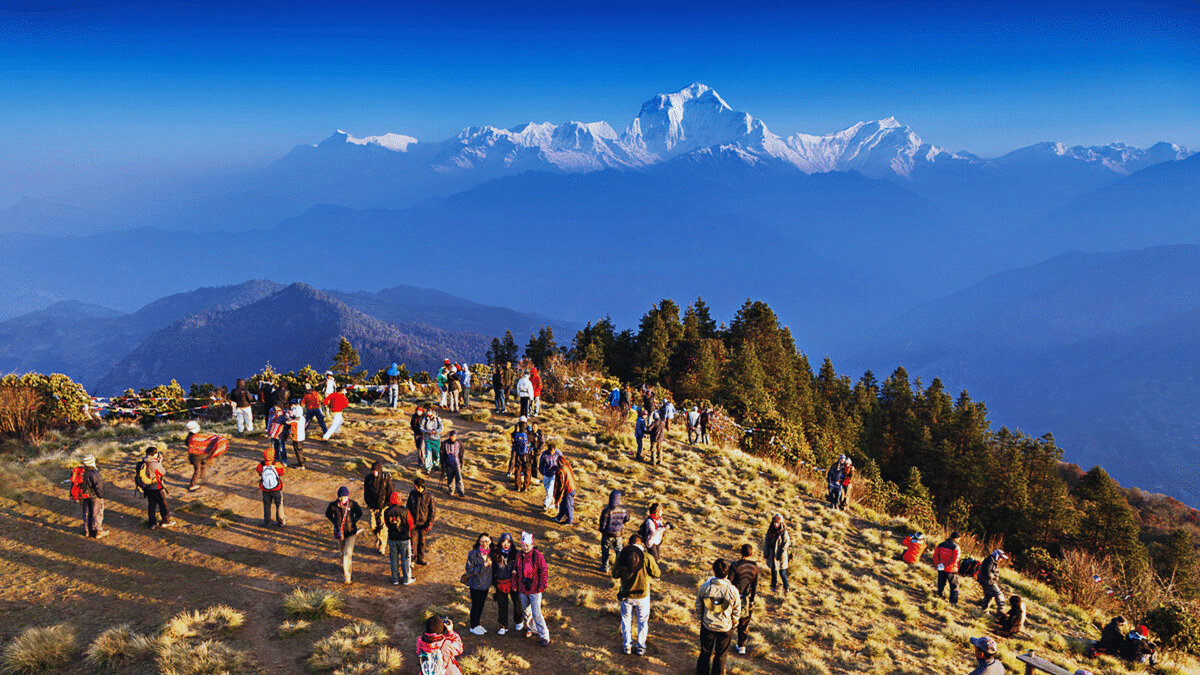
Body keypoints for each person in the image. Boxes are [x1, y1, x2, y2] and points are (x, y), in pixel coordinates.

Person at [612, 534, 661, 656]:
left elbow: (615, 574)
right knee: (643, 622)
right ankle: (640, 647)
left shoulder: (622, 556)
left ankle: (627, 646)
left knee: (626, 621)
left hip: (626, 595)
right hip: (643, 596)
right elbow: (657, 574)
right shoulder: (647, 557)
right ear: (641, 544)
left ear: (629, 543)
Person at [695, 559, 740, 675]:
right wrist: (734, 623)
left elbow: (698, 604)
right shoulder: (733, 590)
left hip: (707, 625)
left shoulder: (705, 587)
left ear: (714, 571)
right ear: (727, 573)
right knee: (721, 655)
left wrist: (700, 617)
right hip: (725, 627)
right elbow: (736, 610)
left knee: (705, 652)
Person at [515, 532, 551, 646]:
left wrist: (542, 586)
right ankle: (532, 629)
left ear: (532, 544)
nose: (525, 547)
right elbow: (515, 570)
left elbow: (544, 571)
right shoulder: (519, 556)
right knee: (526, 611)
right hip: (523, 588)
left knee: (536, 613)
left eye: (527, 545)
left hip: (535, 589)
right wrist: (515, 585)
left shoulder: (538, 556)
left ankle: (544, 636)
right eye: (523, 545)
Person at [325, 486, 362, 584]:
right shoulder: (333, 505)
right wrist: (334, 522)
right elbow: (328, 514)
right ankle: (344, 566)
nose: (343, 499)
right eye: (342, 497)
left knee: (347, 554)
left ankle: (347, 576)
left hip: (351, 533)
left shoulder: (352, 504)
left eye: (345, 497)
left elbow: (360, 513)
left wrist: (354, 521)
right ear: (338, 497)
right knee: (342, 553)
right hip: (340, 533)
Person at [729, 544, 759, 655]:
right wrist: (751, 600)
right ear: (751, 554)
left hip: (734, 598)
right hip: (746, 599)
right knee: (744, 623)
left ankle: (725, 643)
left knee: (730, 621)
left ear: (740, 553)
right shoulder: (755, 566)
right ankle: (742, 646)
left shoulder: (735, 565)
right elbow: (754, 586)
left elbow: (729, 582)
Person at [136, 446, 175, 529]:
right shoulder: (155, 464)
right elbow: (162, 473)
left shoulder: (144, 462)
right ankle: (166, 521)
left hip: (147, 487)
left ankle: (152, 523)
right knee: (163, 504)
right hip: (157, 487)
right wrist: (160, 462)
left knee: (151, 505)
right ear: (154, 454)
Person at [491, 533, 523, 634]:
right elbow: (491, 569)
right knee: (502, 605)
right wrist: (494, 583)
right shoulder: (495, 553)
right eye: (504, 542)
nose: (506, 544)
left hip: (514, 583)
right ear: (500, 542)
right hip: (500, 583)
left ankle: (519, 620)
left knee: (517, 602)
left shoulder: (516, 553)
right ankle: (503, 625)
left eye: (508, 542)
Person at [465, 533, 494, 635]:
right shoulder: (473, 553)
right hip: (476, 584)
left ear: (490, 541)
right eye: (482, 541)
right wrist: (483, 565)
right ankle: (473, 626)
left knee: (481, 605)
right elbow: (469, 569)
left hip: (485, 584)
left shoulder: (492, 553)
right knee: (476, 605)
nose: (484, 543)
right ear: (478, 541)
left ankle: (477, 624)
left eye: (486, 541)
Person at [363, 460, 394, 556]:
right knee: (372, 526)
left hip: (383, 506)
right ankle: (379, 538)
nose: (374, 472)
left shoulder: (385, 480)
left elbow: (390, 491)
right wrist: (367, 501)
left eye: (376, 471)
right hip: (372, 506)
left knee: (383, 526)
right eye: (373, 471)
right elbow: (366, 492)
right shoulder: (368, 479)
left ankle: (382, 546)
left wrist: (389, 504)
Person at [384, 492, 415, 585]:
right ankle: (406, 579)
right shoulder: (405, 511)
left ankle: (395, 579)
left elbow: (386, 524)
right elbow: (411, 524)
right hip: (404, 538)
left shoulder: (387, 511)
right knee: (405, 558)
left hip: (392, 538)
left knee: (393, 559)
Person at [73, 454, 106, 538]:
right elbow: (98, 486)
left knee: (87, 513)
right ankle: (98, 531)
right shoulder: (94, 473)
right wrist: (101, 496)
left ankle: (87, 531)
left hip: (84, 496)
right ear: (92, 462)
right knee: (97, 513)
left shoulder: (81, 471)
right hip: (94, 496)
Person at [599, 489, 630, 573]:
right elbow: (627, 519)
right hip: (618, 534)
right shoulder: (623, 509)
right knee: (619, 551)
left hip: (607, 534)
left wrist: (603, 531)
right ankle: (619, 568)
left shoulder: (606, 511)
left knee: (605, 551)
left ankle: (605, 567)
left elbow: (602, 525)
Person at [407, 477, 435, 565]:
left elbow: (432, 511)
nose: (414, 487)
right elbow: (408, 507)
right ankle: (412, 560)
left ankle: (420, 558)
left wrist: (430, 522)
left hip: (424, 523)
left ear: (419, 487)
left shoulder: (429, 496)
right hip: (413, 523)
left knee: (422, 542)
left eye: (415, 485)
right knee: (412, 542)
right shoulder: (412, 494)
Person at [257, 447, 286, 527]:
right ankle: (281, 521)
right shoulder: (277, 464)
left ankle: (267, 522)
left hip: (265, 489)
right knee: (279, 505)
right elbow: (282, 472)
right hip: (276, 488)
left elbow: (258, 471)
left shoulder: (261, 465)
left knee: (267, 505)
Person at [932, 531, 963, 605]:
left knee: (941, 584)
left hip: (941, 568)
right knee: (954, 587)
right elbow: (955, 560)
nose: (959, 540)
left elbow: (935, 556)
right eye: (959, 538)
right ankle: (953, 603)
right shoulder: (956, 547)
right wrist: (946, 565)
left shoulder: (940, 545)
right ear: (956, 538)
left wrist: (938, 565)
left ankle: (940, 598)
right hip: (951, 570)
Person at [764, 514, 791, 593]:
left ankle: (786, 587)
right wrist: (766, 553)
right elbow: (766, 542)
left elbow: (786, 544)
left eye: (777, 523)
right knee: (773, 572)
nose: (776, 524)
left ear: (781, 523)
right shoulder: (770, 531)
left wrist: (781, 554)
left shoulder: (784, 532)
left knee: (782, 573)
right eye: (774, 522)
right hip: (772, 555)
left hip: (780, 556)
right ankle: (773, 586)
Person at [538, 438, 563, 512]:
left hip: (554, 474)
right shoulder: (544, 454)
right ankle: (552, 504)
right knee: (547, 490)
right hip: (546, 474)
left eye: (552, 451)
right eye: (550, 451)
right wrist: (542, 472)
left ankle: (545, 504)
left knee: (550, 490)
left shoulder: (559, 453)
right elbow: (541, 464)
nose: (551, 453)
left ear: (555, 449)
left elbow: (563, 462)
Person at [553, 454, 576, 526]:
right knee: (563, 504)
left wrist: (558, 493)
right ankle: (559, 517)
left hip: (568, 490)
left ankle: (569, 521)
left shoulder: (561, 470)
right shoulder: (567, 466)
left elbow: (561, 483)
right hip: (570, 488)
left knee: (568, 505)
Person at [184, 420, 208, 491]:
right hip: (197, 456)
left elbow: (186, 444)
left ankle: (199, 478)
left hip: (194, 456)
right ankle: (192, 485)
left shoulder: (189, 437)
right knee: (197, 470)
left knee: (202, 466)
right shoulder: (196, 437)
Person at [266, 401, 291, 466]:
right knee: (274, 447)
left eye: (277, 406)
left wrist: (287, 416)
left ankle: (284, 460)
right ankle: (276, 459)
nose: (275, 407)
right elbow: (269, 421)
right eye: (275, 406)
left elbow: (289, 414)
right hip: (273, 432)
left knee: (281, 447)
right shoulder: (272, 411)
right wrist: (268, 431)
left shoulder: (284, 412)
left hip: (280, 434)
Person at [443, 430, 466, 497]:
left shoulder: (459, 443)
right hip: (448, 464)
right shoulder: (445, 443)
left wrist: (461, 462)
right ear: (450, 436)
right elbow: (442, 453)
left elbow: (461, 453)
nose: (453, 438)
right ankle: (451, 490)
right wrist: (443, 463)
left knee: (459, 478)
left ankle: (461, 492)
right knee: (450, 478)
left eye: (455, 436)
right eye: (452, 436)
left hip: (457, 463)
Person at [511, 419, 531, 492]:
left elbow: (514, 443)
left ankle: (518, 487)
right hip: (526, 455)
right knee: (527, 471)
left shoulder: (516, 435)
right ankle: (526, 487)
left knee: (518, 471)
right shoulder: (528, 435)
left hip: (518, 455)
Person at [420, 408, 444, 473]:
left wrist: (435, 431)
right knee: (428, 453)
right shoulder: (424, 419)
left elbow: (441, 427)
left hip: (436, 438)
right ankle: (428, 468)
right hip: (428, 439)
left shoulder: (438, 419)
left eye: (430, 412)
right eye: (427, 412)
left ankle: (436, 464)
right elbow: (421, 427)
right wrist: (426, 431)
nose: (428, 414)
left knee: (436, 452)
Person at [288, 401, 308, 469]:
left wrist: (289, 416)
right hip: (301, 437)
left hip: (297, 437)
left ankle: (302, 464)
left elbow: (287, 422)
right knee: (300, 450)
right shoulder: (302, 418)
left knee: (298, 451)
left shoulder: (296, 421)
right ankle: (301, 462)